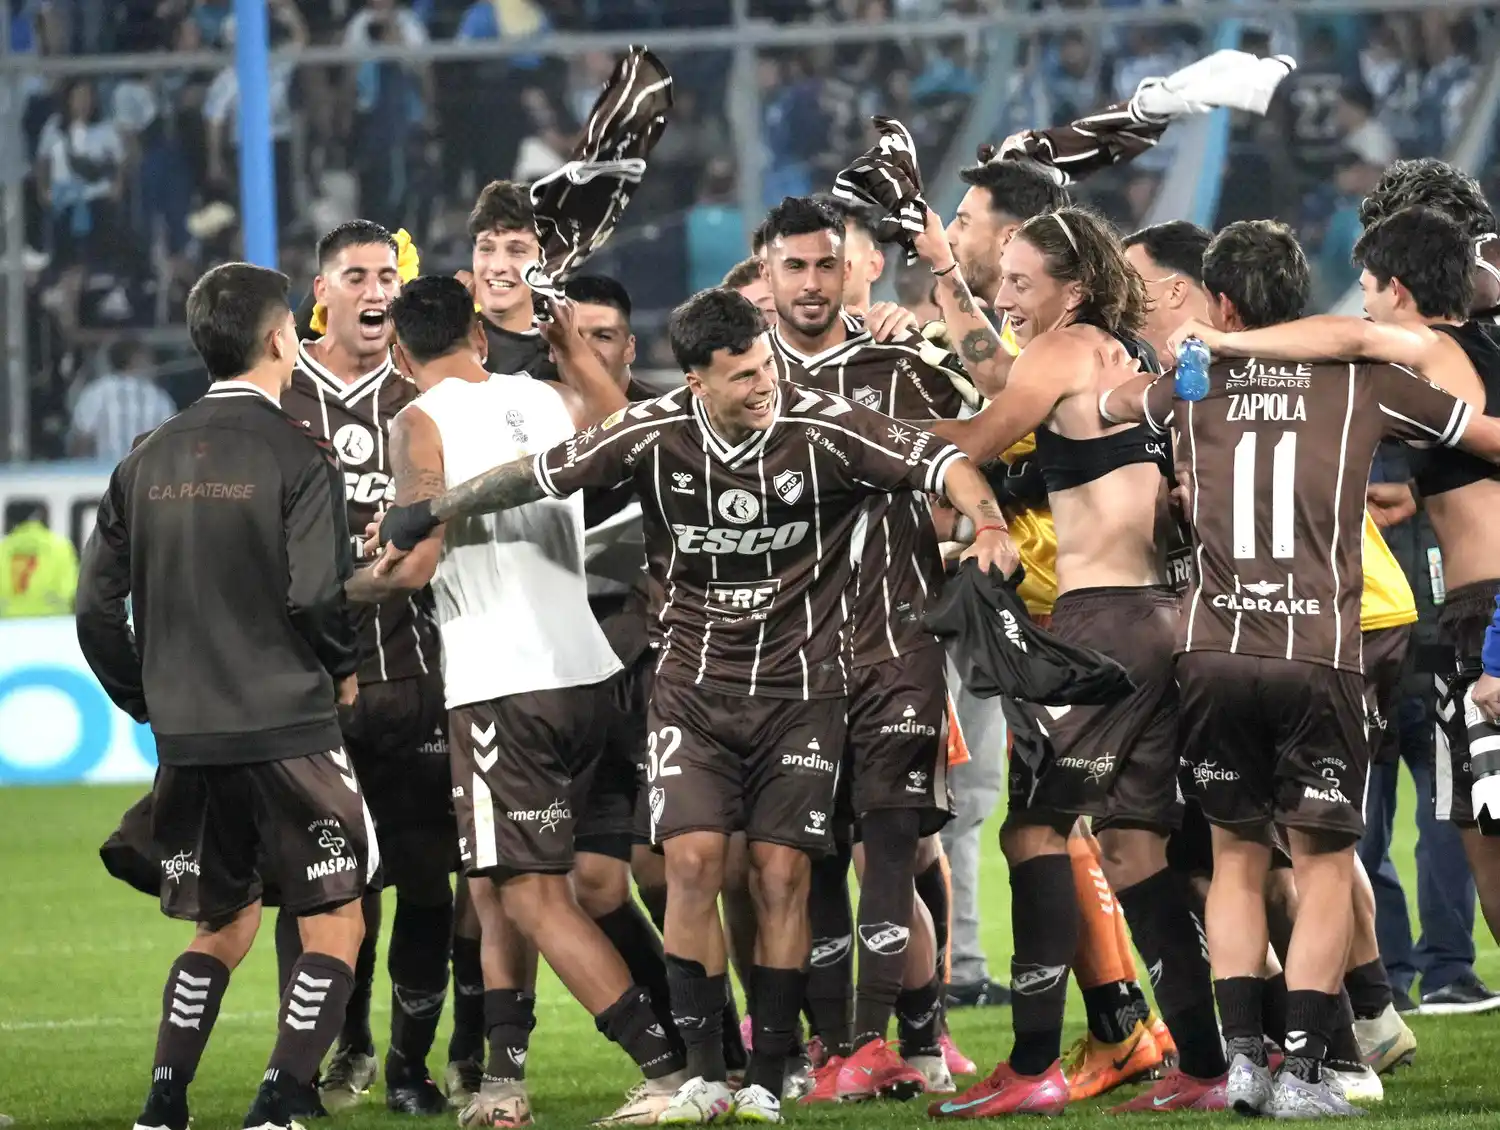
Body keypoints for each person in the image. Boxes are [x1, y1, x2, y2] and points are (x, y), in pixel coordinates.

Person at [367, 286, 1020, 1124]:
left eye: (766, 365)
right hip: (692, 691)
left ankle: (769, 1074)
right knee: (689, 865)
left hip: (802, 689)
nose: (765, 384)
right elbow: (533, 477)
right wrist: (432, 507)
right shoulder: (653, 432)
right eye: (744, 375)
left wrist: (991, 522)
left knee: (780, 874)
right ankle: (703, 1072)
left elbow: (944, 464)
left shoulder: (822, 426)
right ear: (697, 381)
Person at [1112, 218, 1500, 1116]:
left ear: (1219, 301)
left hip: (1212, 650)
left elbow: (1113, 416)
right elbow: (1476, 433)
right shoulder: (1364, 381)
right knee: (1326, 867)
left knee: (1237, 859)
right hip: (1317, 652)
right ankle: (1305, 1073)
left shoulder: (1186, 383)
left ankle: (1242, 1062)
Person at [343, 275, 686, 1128]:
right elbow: (632, 435)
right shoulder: (548, 398)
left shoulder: (415, 421)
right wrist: (574, 352)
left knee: (534, 895)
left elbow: (416, 564)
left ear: (397, 352)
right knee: (495, 885)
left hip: (504, 684)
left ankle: (669, 1069)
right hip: (589, 674)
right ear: (481, 338)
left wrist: (337, 591)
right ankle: (503, 1079)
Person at [921, 205, 1229, 1118]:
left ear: (1074, 287)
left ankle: (1030, 1067)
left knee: (1031, 832)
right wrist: (950, 286)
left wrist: (849, 427)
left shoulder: (1064, 351)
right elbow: (1002, 382)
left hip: (1099, 627)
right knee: (1135, 845)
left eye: (1021, 282)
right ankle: (1207, 1068)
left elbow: (973, 441)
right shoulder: (1122, 355)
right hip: (1164, 617)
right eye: (1001, 278)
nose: (1004, 296)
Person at [77, 262, 371, 1130]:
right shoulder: (297, 453)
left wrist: (148, 698)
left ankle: (164, 1103)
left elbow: (95, 608)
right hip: (289, 726)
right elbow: (318, 594)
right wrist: (343, 667)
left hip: (190, 737)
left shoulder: (145, 457)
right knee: (336, 917)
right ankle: (281, 1100)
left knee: (223, 922)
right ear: (281, 338)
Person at [757, 195, 962, 1101]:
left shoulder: (901, 361)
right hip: (790, 655)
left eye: (825, 265)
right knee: (818, 855)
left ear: (855, 269)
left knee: (895, 845)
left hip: (898, 641)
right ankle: (846, 1041)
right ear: (764, 274)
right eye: (793, 267)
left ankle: (892, 1041)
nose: (811, 283)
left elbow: (988, 434)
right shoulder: (739, 377)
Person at [279, 219, 454, 1115]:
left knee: (426, 877)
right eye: (356, 275)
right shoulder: (278, 397)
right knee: (319, 886)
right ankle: (318, 1057)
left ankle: (410, 1068)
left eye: (387, 273)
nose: (377, 289)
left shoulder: (424, 394)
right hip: (312, 688)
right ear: (322, 293)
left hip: (417, 677)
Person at [465, 179, 558, 379]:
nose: (497, 266)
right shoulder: (439, 340)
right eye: (486, 249)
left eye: (516, 251)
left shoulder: (562, 357)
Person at [0, 505, 79, 617]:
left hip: (7, 625)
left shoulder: (3, 548)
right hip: (53, 624)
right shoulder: (61, 547)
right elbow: (71, 589)